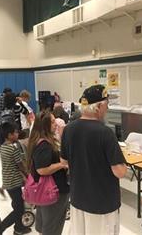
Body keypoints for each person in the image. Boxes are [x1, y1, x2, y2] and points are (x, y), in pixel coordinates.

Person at [60, 84, 127, 235]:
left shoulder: (68, 129)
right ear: (98, 107)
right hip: (102, 203)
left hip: (78, 198)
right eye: (107, 104)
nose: (108, 108)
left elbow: (64, 162)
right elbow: (120, 172)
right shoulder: (105, 133)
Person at [26, 111, 69, 235]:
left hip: (45, 190)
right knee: (53, 225)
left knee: (45, 223)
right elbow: (42, 169)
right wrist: (62, 164)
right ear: (45, 125)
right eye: (53, 121)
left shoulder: (40, 140)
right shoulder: (44, 144)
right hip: (53, 190)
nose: (56, 124)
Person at [0, 122, 31, 235]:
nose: (17, 134)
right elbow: (20, 165)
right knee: (19, 210)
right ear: (9, 135)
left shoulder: (3, 147)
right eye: (15, 132)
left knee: (18, 204)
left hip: (7, 181)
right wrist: (28, 175)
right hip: (15, 182)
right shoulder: (13, 149)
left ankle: (19, 228)